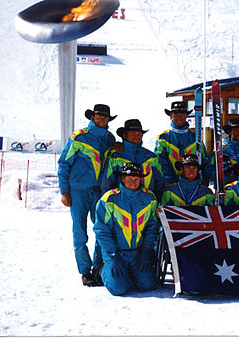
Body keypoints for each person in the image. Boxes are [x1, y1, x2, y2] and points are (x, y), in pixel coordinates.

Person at [57, 104, 117, 286]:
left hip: (100, 192)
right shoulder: (79, 137)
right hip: (78, 191)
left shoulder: (109, 139)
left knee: (102, 230)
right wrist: (64, 191)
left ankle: (98, 268)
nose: (102, 119)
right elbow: (64, 164)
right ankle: (85, 271)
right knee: (80, 232)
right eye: (99, 116)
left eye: (106, 117)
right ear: (92, 117)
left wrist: (118, 147)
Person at [93, 162, 159, 296]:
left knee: (148, 285)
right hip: (116, 253)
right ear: (122, 179)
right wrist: (113, 255)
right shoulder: (109, 199)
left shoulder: (150, 198)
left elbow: (152, 228)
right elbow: (101, 231)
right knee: (118, 289)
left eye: (136, 179)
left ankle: (130, 272)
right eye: (129, 179)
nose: (133, 183)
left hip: (138, 253)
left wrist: (146, 251)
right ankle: (103, 269)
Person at [101, 119, 165, 200]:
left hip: (147, 205)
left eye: (139, 134)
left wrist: (157, 202)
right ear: (124, 135)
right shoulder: (115, 156)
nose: (137, 136)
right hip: (121, 205)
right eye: (133, 133)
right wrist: (108, 203)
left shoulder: (151, 157)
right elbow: (107, 184)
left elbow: (160, 183)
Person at [155, 101, 210, 186]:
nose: (179, 117)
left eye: (182, 114)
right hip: (170, 186)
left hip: (193, 184)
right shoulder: (163, 138)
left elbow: (204, 162)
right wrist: (169, 180)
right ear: (170, 116)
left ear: (186, 116)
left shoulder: (196, 138)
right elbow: (160, 163)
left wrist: (203, 183)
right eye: (176, 114)